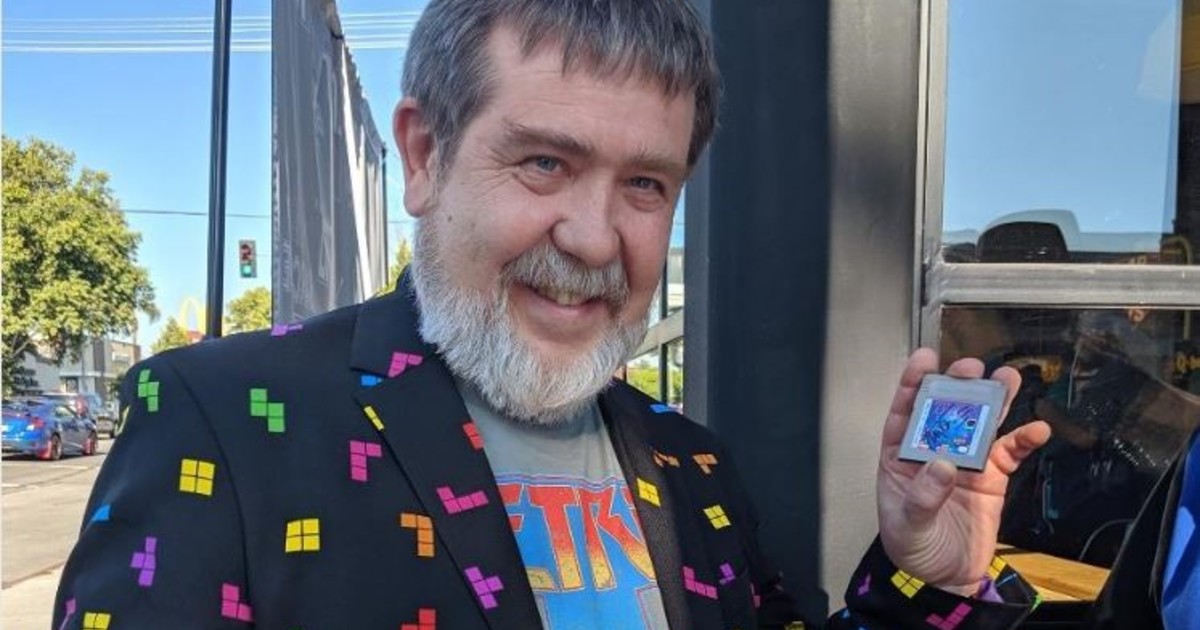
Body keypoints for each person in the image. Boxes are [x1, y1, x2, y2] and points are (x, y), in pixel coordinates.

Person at [52, 1, 1051, 628]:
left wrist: (926, 579)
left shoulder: (693, 464)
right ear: (425, 156)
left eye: (646, 185)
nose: (593, 238)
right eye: (545, 162)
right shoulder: (223, 418)